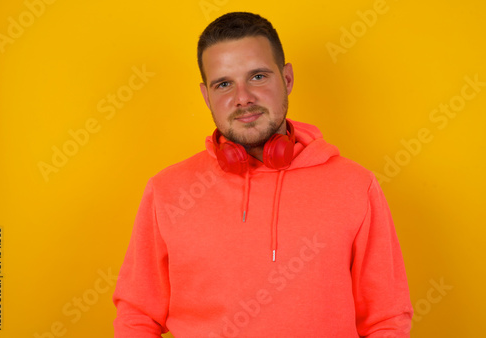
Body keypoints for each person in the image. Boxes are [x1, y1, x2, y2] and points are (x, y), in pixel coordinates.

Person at [113, 12, 413, 337]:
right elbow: (137, 316)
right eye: (224, 84)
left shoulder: (356, 186)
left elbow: (386, 320)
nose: (243, 98)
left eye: (257, 77)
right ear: (206, 96)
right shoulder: (167, 191)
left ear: (286, 79)